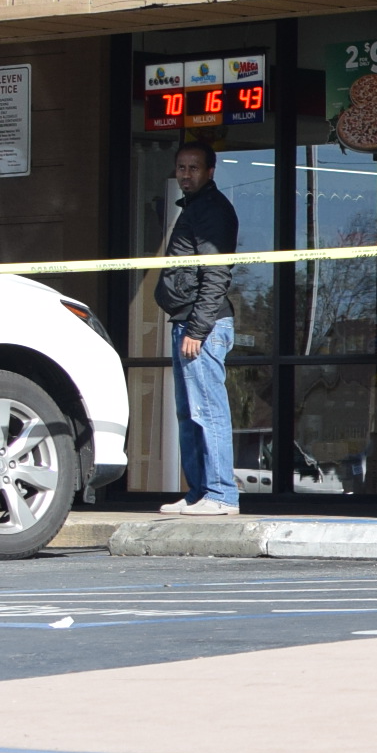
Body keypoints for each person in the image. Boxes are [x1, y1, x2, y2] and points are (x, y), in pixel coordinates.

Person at [152, 142, 241, 518]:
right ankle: (199, 493)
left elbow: (216, 273)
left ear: (210, 172)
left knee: (208, 411)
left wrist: (198, 329)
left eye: (194, 168)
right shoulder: (194, 207)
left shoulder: (211, 209)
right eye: (181, 167)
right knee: (189, 415)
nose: (186, 174)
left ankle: (221, 494)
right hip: (186, 322)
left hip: (201, 325)